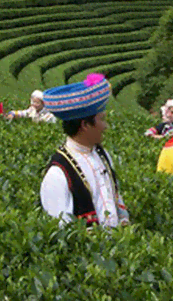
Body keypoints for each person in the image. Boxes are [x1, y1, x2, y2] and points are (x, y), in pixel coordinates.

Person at [40, 73, 129, 228]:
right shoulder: (58, 174)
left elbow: (114, 198)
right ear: (85, 125)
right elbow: (62, 232)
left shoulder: (103, 155)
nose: (105, 126)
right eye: (102, 119)